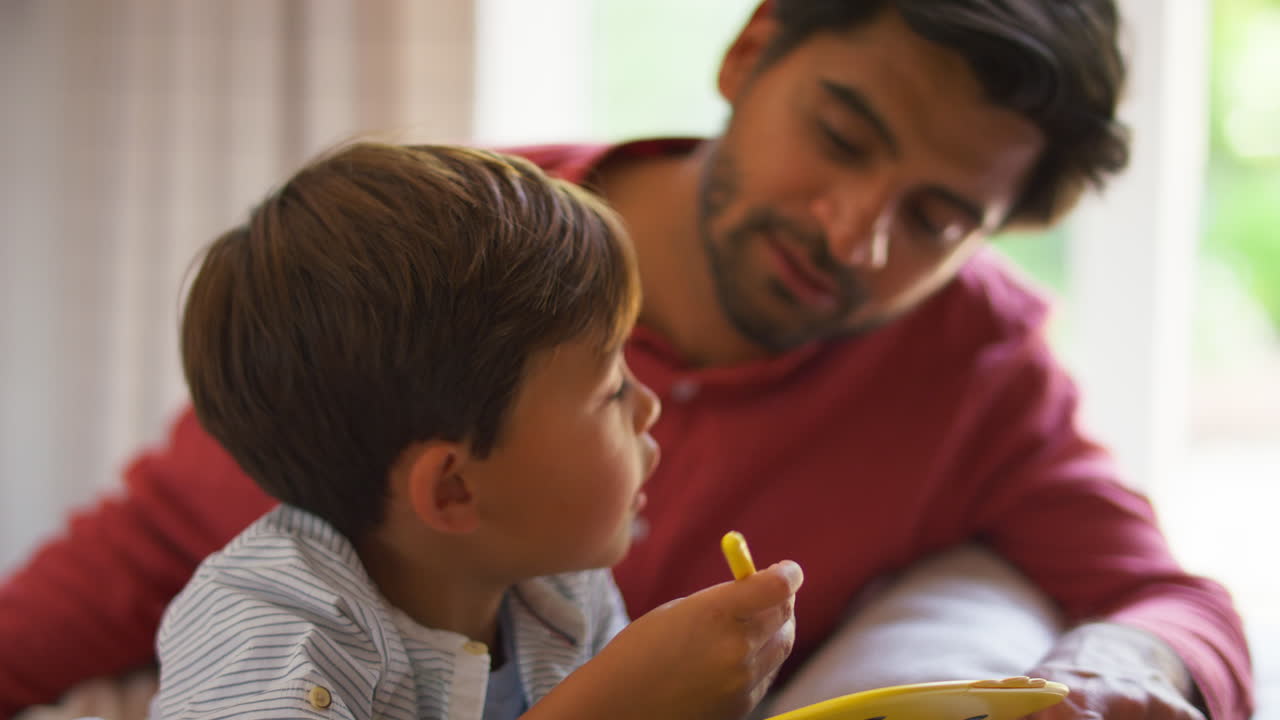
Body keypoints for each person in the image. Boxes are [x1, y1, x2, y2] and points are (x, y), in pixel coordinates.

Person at [0, 2, 1254, 720]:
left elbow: (1181, 609)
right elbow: (135, 554)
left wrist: (1094, 682)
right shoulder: (441, 270)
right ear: (749, 51)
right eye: (839, 136)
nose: (851, 235)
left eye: (935, 218)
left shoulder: (973, 370)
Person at [149, 141, 801, 719]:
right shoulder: (267, 635)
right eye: (611, 390)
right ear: (454, 489)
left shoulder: (558, 585)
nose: (649, 406)